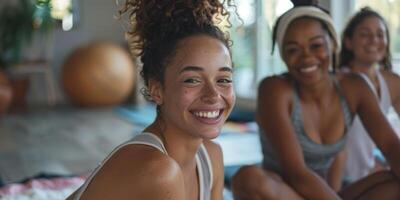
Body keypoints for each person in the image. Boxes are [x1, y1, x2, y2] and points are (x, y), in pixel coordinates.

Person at [66, 0, 236, 199]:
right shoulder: (160, 171)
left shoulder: (211, 156)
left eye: (223, 79)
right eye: (192, 80)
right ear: (157, 90)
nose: (213, 95)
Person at [231, 2, 400, 200]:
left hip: (326, 194)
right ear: (283, 55)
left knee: (394, 179)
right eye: (293, 49)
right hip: (283, 194)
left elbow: (390, 145)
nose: (307, 57)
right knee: (248, 178)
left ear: (333, 45)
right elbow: (296, 173)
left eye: (316, 45)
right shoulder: (274, 89)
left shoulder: (354, 87)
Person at [339, 7, 400, 183]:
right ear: (348, 42)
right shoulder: (337, 81)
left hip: (366, 179)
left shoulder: (391, 82)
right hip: (336, 182)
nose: (374, 40)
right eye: (365, 34)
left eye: (380, 34)